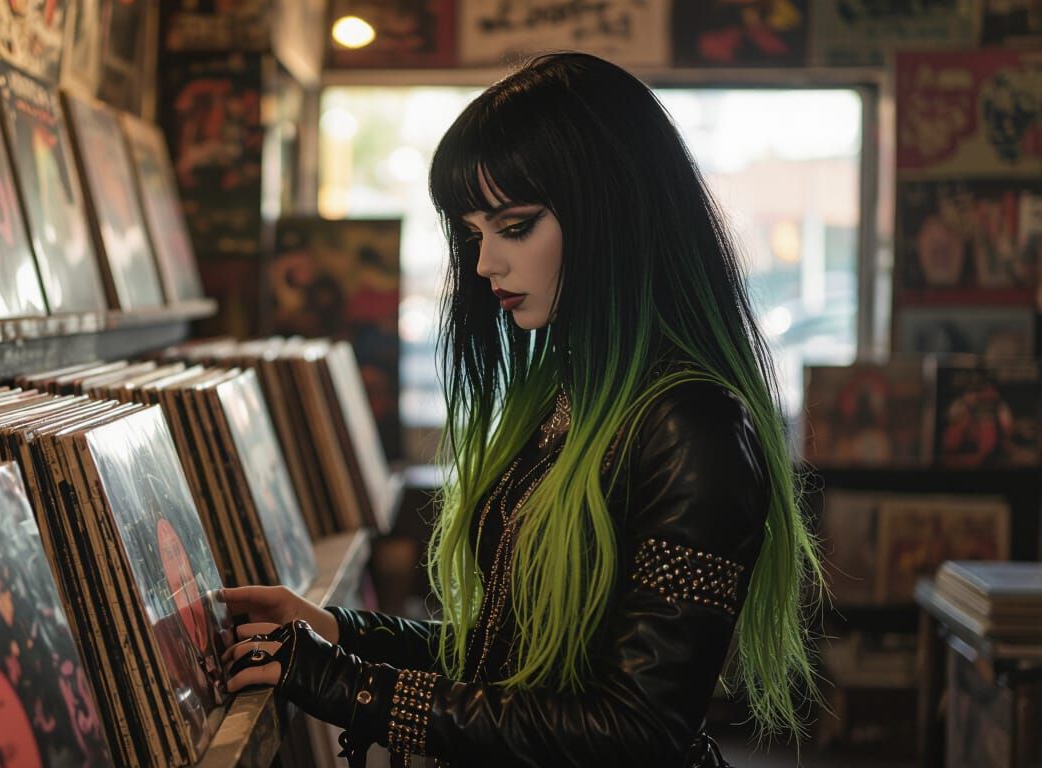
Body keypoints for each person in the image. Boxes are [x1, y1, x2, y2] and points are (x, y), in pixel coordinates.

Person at [219, 52, 823, 768]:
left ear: (614, 213)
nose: (484, 266)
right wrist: (339, 633)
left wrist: (343, 683)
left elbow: (633, 728)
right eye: (473, 233)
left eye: (514, 226)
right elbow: (514, 655)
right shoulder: (571, 398)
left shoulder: (693, 427)